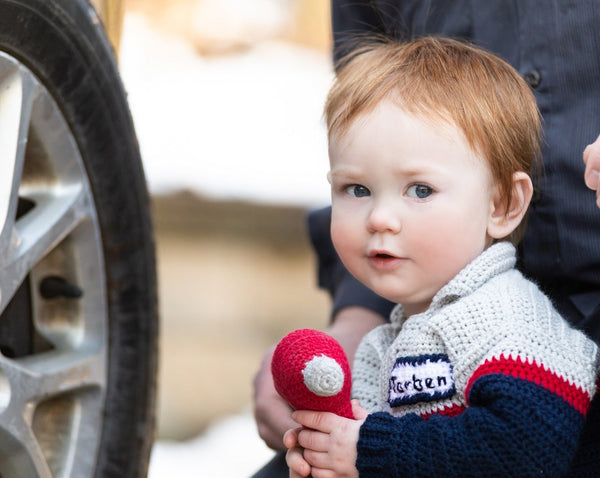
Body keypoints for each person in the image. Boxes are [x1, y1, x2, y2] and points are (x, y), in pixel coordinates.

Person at [252, 2, 600, 476]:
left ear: (502, 206)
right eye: (357, 189)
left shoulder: (505, 323)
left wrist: (367, 450)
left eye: (420, 190)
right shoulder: (388, 339)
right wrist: (324, 448)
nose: (381, 218)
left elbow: (524, 448)